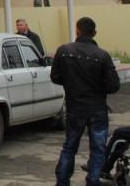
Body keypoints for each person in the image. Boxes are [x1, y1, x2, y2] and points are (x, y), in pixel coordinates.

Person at [50, 16, 121, 186]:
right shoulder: (102, 55)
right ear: (94, 33)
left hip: (74, 107)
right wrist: (98, 86)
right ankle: (93, 180)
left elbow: (55, 77)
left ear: (77, 30)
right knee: (98, 148)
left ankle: (62, 181)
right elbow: (113, 85)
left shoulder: (64, 51)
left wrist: (71, 83)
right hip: (97, 108)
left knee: (69, 146)